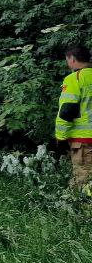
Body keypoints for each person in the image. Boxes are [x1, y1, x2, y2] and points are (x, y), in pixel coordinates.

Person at [54, 44, 92, 193]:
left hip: (84, 143)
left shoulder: (74, 79)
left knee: (84, 183)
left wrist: (60, 138)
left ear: (72, 59)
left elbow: (66, 111)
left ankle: (84, 214)